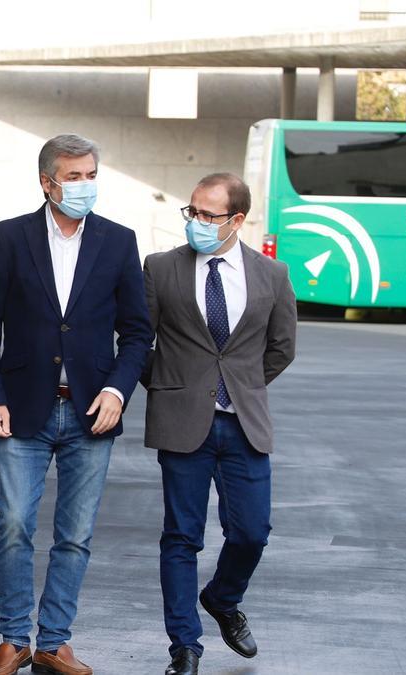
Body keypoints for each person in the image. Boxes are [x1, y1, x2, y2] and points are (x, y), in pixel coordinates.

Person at [0, 134, 152, 675]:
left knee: (75, 534)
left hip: (92, 411)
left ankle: (54, 641)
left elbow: (137, 333)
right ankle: (12, 639)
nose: (84, 185)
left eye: (91, 174)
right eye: (73, 176)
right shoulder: (10, 237)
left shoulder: (119, 242)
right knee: (14, 525)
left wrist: (118, 390)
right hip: (23, 408)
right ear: (47, 182)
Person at [141, 172, 297, 675]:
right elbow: (137, 340)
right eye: (192, 212)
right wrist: (171, 388)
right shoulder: (161, 267)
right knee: (181, 537)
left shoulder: (272, 275)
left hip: (243, 422)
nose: (197, 223)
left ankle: (223, 599)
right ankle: (184, 646)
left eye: (209, 215)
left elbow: (281, 348)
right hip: (182, 421)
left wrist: (241, 386)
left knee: (252, 532)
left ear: (237, 220)